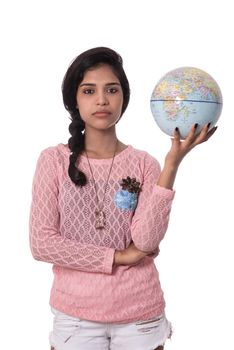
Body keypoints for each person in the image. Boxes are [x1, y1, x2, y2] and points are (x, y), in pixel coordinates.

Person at [29, 47, 217, 350]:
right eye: (89, 90)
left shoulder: (144, 164)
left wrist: (171, 165)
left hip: (140, 317)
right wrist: (118, 257)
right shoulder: (53, 160)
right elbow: (42, 243)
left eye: (112, 90)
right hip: (75, 317)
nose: (102, 100)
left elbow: (144, 241)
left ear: (123, 98)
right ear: (74, 100)